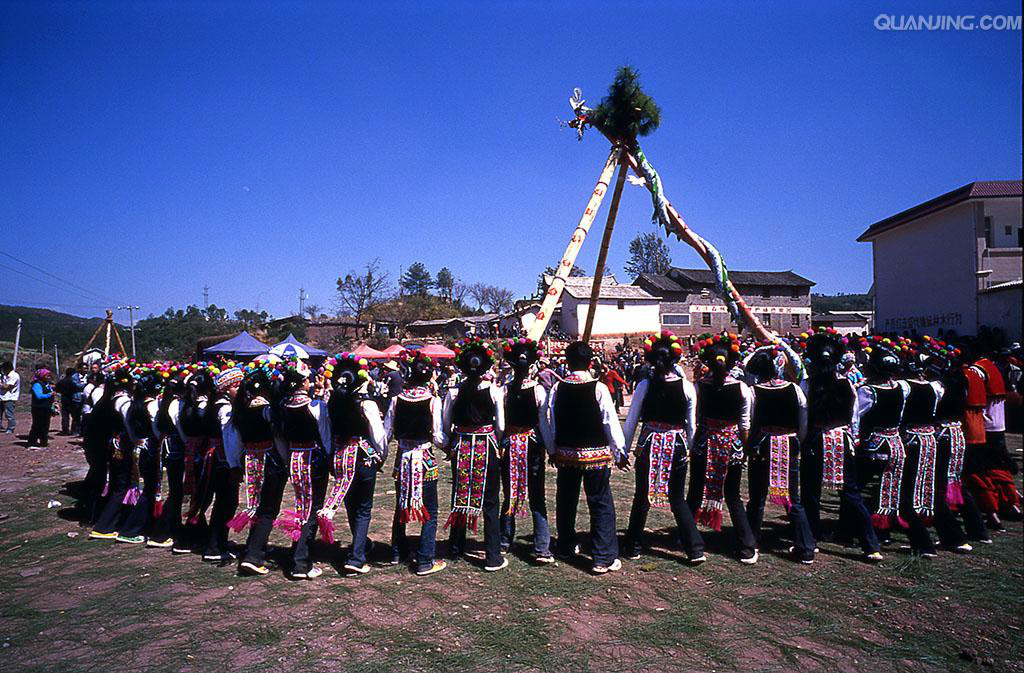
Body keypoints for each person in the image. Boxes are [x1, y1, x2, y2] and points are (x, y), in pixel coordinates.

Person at [621, 331, 704, 564]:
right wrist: (690, 448)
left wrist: (624, 450)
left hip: (649, 444)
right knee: (677, 497)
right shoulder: (687, 387)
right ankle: (695, 549)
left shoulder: (645, 385)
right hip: (676, 445)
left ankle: (633, 545)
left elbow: (631, 420)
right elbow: (691, 425)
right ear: (675, 360)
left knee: (641, 497)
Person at [800, 330, 881, 561]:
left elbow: (804, 419)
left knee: (811, 493)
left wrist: (804, 441)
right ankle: (871, 544)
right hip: (842, 440)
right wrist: (852, 439)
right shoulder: (847, 384)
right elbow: (854, 417)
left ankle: (811, 539)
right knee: (851, 493)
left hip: (816, 440)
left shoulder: (807, 384)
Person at [546, 340, 624, 575]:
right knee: (600, 502)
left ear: (567, 362)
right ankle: (602, 557)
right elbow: (609, 421)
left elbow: (550, 421)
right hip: (596, 457)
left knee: (566, 500)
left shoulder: (558, 388)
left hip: (567, 455)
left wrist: (552, 449)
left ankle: (566, 545)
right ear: (591, 362)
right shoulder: (598, 388)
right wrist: (619, 450)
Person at [686, 334, 758, 564]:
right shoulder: (742, 388)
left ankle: (689, 539)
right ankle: (747, 546)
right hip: (732, 447)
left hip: (704, 444)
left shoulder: (699, 387)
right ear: (732, 362)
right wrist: (746, 449)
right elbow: (745, 424)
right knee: (733, 496)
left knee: (695, 491)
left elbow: (694, 419)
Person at [317, 353, 387, 575]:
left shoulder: (331, 403)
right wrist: (381, 456)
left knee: (351, 505)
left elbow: (326, 434)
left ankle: (361, 545)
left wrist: (331, 455)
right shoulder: (366, 404)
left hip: (340, 456)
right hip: (363, 458)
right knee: (363, 508)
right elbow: (378, 436)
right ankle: (357, 558)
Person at [745, 346, 816, 564]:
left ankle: (749, 545)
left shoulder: (753, 391)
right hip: (790, 444)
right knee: (793, 497)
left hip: (762, 446)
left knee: (757, 496)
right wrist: (797, 442)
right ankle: (806, 547)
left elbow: (749, 421)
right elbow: (803, 422)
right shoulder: (795, 390)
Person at [442, 337, 506, 571]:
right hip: (486, 446)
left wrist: (449, 445)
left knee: (460, 494)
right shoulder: (495, 391)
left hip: (461, 446)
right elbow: (500, 425)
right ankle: (492, 555)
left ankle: (455, 547)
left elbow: (445, 424)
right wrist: (497, 443)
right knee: (490, 500)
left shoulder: (453, 393)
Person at [384, 351, 447, 576]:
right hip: (425, 459)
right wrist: (449, 447)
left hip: (403, 459)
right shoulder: (432, 401)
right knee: (430, 510)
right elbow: (438, 436)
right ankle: (424, 559)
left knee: (401, 504)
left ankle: (396, 552)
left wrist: (381, 455)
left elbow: (387, 432)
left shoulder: (395, 400)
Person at [498, 337, 553, 564]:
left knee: (510, 493)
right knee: (537, 496)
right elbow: (544, 422)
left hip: (510, 445)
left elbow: (500, 426)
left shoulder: (503, 390)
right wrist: (551, 448)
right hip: (532, 445)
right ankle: (541, 547)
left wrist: (501, 443)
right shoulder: (539, 390)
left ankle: (503, 541)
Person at [275, 364, 331, 579]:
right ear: (304, 383)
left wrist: (287, 459)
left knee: (302, 506)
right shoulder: (316, 406)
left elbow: (280, 439)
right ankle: (301, 561)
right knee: (313, 508)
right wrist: (330, 459)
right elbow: (325, 437)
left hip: (295, 460)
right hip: (313, 460)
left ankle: (298, 554)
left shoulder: (282, 406)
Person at [27, 368, 55, 448]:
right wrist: (50, 394)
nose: (48, 376)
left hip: (46, 407)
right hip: (38, 408)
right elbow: (39, 396)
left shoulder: (47, 384)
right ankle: (32, 441)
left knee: (46, 425)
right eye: (46, 375)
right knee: (37, 424)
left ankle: (43, 442)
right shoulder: (37, 384)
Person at [1, 361, 20, 434]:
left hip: (10, 397)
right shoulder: (4, 375)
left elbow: (7, 386)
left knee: (8, 413)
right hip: (2, 396)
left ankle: (11, 428)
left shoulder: (14, 375)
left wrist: (1, 385)